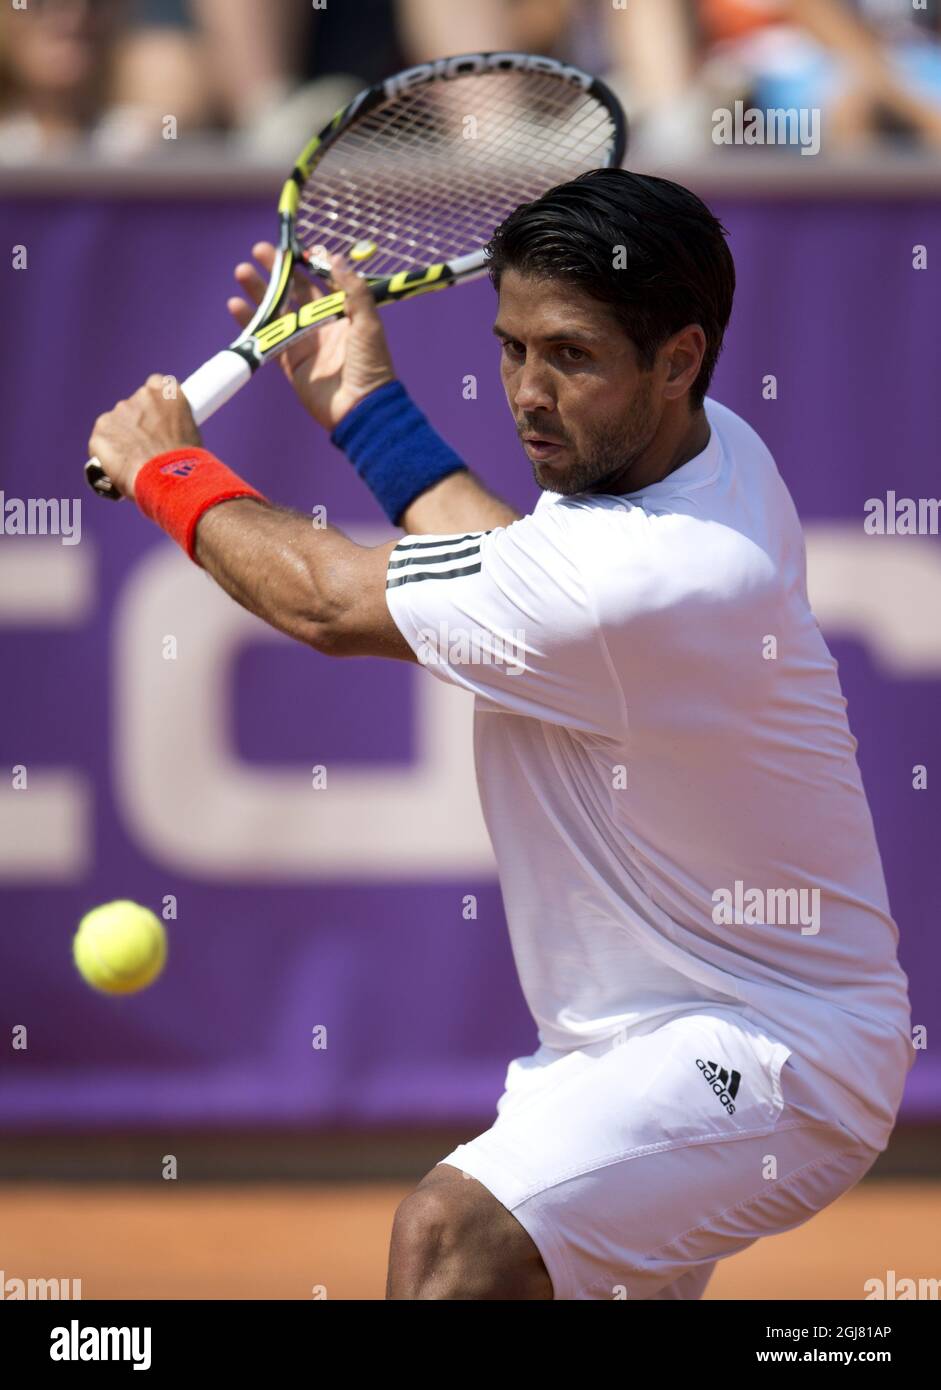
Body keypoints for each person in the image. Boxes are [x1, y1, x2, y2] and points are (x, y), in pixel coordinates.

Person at [88, 169, 913, 1301]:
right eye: (511, 347)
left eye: (568, 356)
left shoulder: (649, 581)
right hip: (622, 1044)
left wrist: (167, 467)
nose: (526, 390)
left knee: (450, 1239)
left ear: (676, 358)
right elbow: (510, 565)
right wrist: (362, 404)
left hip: (773, 1058)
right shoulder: (709, 452)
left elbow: (327, 604)